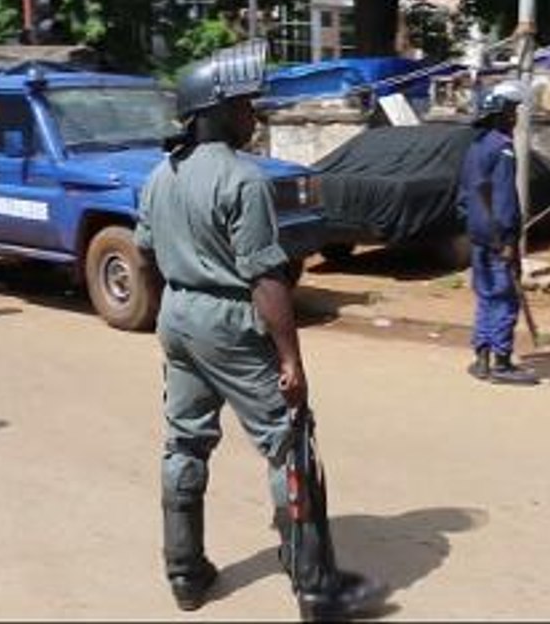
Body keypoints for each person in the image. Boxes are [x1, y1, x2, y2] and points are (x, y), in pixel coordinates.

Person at [136, 40, 385, 621]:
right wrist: (290, 359)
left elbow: (146, 253)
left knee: (184, 442)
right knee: (290, 442)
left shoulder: (159, 177)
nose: (254, 114)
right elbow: (267, 279)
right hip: (229, 320)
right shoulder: (243, 181)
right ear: (215, 112)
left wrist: (179, 305)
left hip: (178, 317)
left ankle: (185, 574)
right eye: (246, 105)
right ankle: (317, 589)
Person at [458, 81, 539, 384]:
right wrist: (505, 239)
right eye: (514, 111)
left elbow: (465, 197)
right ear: (504, 114)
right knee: (505, 298)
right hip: (498, 238)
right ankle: (502, 363)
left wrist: (478, 228)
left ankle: (481, 359)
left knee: (485, 296)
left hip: (477, 235)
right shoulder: (503, 149)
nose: (516, 117)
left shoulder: (476, 146)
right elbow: (504, 198)